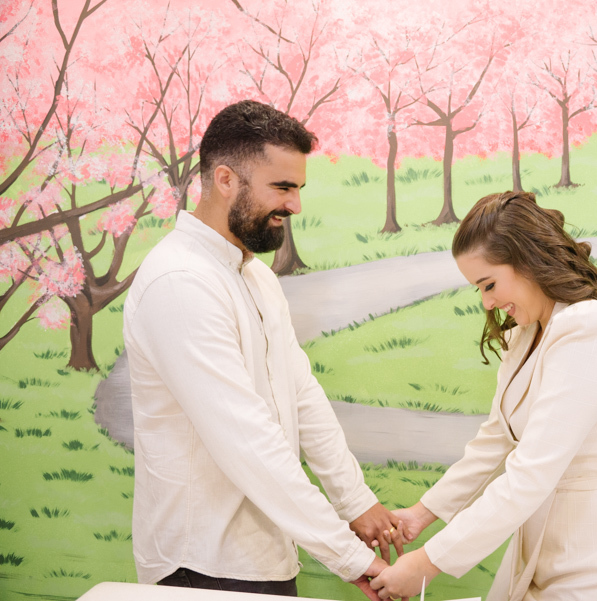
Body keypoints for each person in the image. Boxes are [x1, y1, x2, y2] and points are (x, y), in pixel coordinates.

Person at [123, 100, 400, 598]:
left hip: (265, 556)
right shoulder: (180, 282)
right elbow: (247, 440)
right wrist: (350, 557)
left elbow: (301, 394)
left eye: (298, 188)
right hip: (202, 565)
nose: (295, 206)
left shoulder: (253, 274)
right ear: (225, 178)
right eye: (283, 187)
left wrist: (355, 502)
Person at [370, 191, 597, 600]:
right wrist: (420, 515)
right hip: (545, 545)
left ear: (528, 260)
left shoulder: (589, 327)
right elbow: (496, 439)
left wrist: (427, 563)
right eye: (479, 289)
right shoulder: (527, 334)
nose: (488, 302)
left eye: (489, 284)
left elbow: (532, 471)